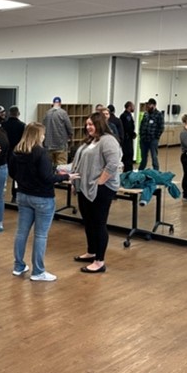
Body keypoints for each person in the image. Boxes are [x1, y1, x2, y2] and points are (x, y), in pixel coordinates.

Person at [9, 122, 73, 282]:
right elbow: (47, 178)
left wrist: (24, 181)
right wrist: (66, 177)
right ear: (38, 135)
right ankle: (38, 271)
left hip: (23, 196)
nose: (44, 137)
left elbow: (12, 172)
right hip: (43, 198)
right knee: (40, 235)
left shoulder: (17, 151)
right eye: (43, 134)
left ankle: (18, 266)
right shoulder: (41, 153)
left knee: (21, 232)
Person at [71, 112, 122, 274]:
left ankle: (99, 261)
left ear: (100, 124)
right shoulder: (91, 141)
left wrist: (100, 182)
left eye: (91, 124)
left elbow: (113, 164)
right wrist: (75, 182)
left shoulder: (108, 140)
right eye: (87, 124)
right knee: (89, 221)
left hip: (101, 188)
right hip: (85, 187)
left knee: (98, 223)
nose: (88, 127)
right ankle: (91, 252)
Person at [2, 105, 26, 202]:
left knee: (3, 172)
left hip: (5, 152)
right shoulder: (22, 125)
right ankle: (14, 194)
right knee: (16, 174)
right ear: (18, 114)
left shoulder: (3, 125)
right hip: (17, 152)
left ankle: (1, 193)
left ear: (9, 113)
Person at [42, 96, 73, 166]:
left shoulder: (47, 113)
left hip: (48, 145)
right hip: (60, 145)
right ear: (60, 103)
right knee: (61, 167)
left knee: (50, 166)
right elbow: (69, 127)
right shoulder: (63, 113)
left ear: (53, 103)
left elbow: (43, 127)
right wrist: (71, 136)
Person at [138, 98, 164, 170]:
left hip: (153, 140)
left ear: (154, 105)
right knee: (143, 158)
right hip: (144, 139)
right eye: (148, 105)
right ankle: (140, 172)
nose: (148, 106)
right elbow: (141, 125)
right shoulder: (146, 114)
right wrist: (141, 135)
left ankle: (156, 172)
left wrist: (156, 137)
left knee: (154, 157)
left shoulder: (159, 115)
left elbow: (161, 127)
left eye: (150, 105)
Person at [119, 101, 136, 171]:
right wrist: (132, 134)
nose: (134, 108)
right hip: (127, 138)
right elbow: (128, 127)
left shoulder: (127, 115)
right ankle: (128, 171)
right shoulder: (126, 116)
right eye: (133, 106)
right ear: (129, 107)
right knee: (128, 155)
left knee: (128, 155)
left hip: (127, 138)